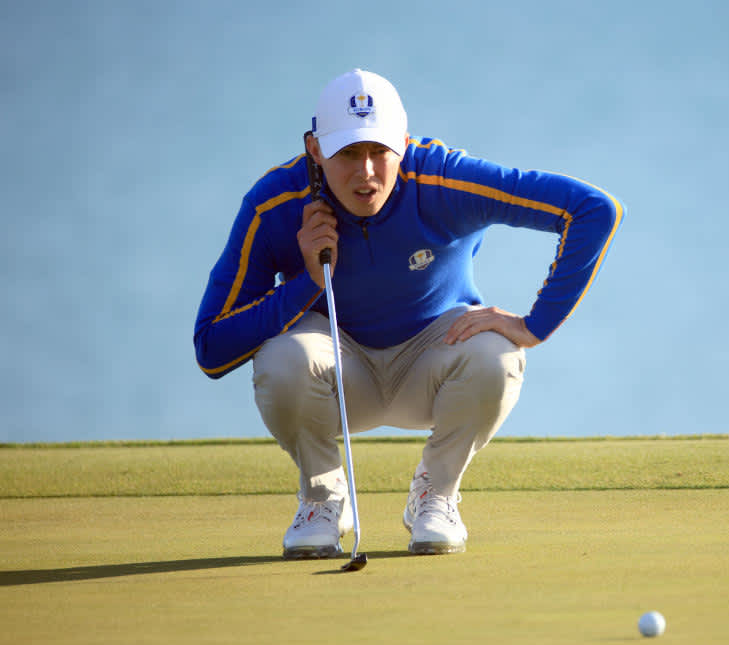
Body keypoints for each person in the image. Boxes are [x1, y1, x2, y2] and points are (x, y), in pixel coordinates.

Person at [193, 69, 624, 558]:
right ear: (315, 148)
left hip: (434, 366)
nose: (367, 173)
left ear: (403, 141)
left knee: (497, 355)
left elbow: (593, 210)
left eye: (380, 151)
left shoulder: (444, 179)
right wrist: (305, 285)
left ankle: (435, 493)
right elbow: (212, 347)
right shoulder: (275, 203)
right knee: (281, 359)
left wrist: (532, 326)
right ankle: (322, 498)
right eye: (347, 153)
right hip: (337, 375)